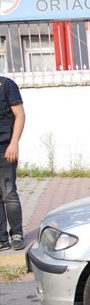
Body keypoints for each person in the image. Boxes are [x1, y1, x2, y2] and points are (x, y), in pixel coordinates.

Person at [0, 77, 25, 251]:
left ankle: (16, 234)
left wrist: (14, 143)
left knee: (8, 193)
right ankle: (2, 238)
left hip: (5, 147)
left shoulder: (7, 85)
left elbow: (20, 115)